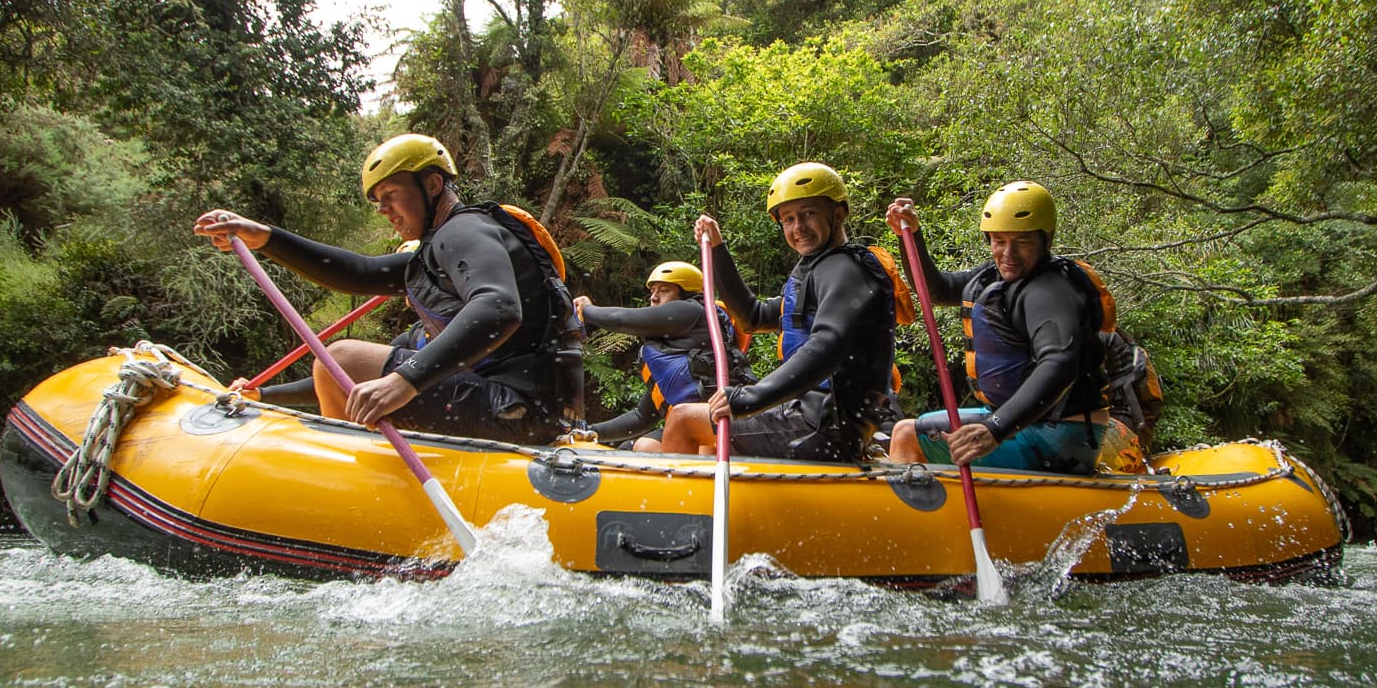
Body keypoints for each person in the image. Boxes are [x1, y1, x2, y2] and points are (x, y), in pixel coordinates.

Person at [194, 133, 582, 443]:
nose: (383, 210)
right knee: (369, 356)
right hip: (525, 410)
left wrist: (404, 382)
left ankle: (348, 477)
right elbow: (359, 272)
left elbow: (499, 307)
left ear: (432, 184)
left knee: (344, 355)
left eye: (391, 195)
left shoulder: (463, 231)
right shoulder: (435, 253)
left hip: (516, 409)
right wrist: (265, 238)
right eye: (377, 202)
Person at [884, 181, 1150, 475]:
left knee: (907, 435)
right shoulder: (995, 277)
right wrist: (911, 235)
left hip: (1060, 433)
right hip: (1024, 421)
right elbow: (936, 290)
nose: (1007, 253)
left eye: (1021, 242)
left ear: (1045, 239)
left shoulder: (1051, 291)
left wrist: (995, 430)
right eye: (999, 241)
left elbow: (1059, 363)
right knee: (911, 428)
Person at [668, 161, 900, 465]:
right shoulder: (817, 269)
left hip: (822, 425)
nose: (797, 227)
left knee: (683, 419)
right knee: (710, 445)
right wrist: (717, 250)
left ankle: (679, 512)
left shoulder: (844, 270)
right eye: (788, 219)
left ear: (838, 213)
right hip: (820, 420)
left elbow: (828, 344)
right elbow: (752, 316)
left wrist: (751, 398)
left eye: (808, 214)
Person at [575, 261, 755, 452]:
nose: (654, 297)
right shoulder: (676, 356)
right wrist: (588, 431)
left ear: (685, 293)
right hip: (694, 422)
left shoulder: (692, 310)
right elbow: (641, 417)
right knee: (641, 445)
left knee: (705, 450)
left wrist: (586, 310)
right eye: (652, 291)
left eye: (663, 290)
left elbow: (619, 320)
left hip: (729, 422)